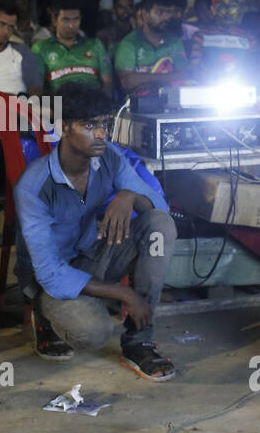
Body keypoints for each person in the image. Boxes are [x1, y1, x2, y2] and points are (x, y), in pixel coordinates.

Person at [13, 85, 178, 380]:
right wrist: (123, 292)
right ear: (64, 128)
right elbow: (50, 273)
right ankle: (46, 316)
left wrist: (127, 196)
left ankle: (138, 341)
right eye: (90, 125)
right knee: (93, 332)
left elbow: (159, 207)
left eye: (105, 124)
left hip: (93, 254)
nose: (101, 134)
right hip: (48, 279)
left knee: (159, 226)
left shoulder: (110, 157)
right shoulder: (34, 186)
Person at [112, 0, 192, 95]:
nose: (165, 17)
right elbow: (128, 82)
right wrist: (168, 77)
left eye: (168, 12)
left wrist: (143, 78)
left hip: (171, 102)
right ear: (145, 14)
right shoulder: (129, 43)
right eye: (160, 12)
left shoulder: (174, 41)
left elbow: (184, 75)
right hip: (137, 106)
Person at [33, 0, 113, 95]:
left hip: (92, 102)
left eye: (76, 19)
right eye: (66, 20)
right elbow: (36, 87)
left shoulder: (95, 44)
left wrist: (105, 106)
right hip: (59, 104)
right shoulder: (41, 48)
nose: (71, 25)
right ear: (54, 20)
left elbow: (108, 82)